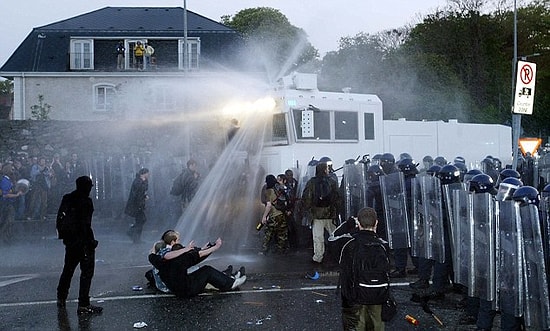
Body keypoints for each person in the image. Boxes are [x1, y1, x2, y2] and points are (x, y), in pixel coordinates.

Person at [148, 232, 246, 298]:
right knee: (207, 270)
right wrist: (216, 247)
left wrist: (202, 249)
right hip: (186, 290)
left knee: (201, 271)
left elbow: (152, 255)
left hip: (176, 288)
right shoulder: (178, 259)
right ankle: (230, 284)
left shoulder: (158, 259)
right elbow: (198, 256)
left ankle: (228, 278)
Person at [56, 176, 102, 315]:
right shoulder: (86, 202)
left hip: (70, 241)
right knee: (86, 273)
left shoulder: (67, 198)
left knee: (68, 269)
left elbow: (60, 218)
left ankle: (61, 296)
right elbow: (85, 224)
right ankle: (83, 304)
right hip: (83, 242)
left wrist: (64, 237)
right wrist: (90, 242)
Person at [339, 207, 391, 331]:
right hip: (377, 295)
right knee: (377, 323)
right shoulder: (383, 245)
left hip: (355, 295)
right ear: (376, 223)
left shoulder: (349, 244)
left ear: (358, 223)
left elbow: (332, 238)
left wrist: (347, 224)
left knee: (358, 325)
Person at [303, 162, 341, 263]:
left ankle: (318, 257)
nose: (329, 170)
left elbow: (307, 197)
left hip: (316, 214)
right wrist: (336, 210)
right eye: (327, 168)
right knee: (335, 235)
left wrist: (308, 210)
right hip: (330, 214)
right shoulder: (332, 181)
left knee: (318, 237)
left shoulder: (312, 182)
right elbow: (337, 197)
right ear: (325, 170)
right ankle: (337, 256)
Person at [259, 174, 289, 255]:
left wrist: (264, 217)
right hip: (281, 214)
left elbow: (268, 205)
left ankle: (264, 250)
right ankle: (281, 250)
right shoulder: (279, 188)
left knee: (268, 233)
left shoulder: (269, 191)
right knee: (282, 233)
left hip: (273, 215)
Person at [0, 164, 24, 243]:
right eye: (12, 169)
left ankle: (7, 237)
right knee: (9, 221)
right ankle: (5, 237)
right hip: (6, 204)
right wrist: (16, 195)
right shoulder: (5, 181)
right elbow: (5, 194)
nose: (13, 171)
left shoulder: (9, 180)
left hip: (9, 204)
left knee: (8, 221)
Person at [125, 168, 149, 243]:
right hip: (136, 205)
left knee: (140, 220)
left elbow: (141, 193)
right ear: (143, 173)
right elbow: (137, 194)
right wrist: (142, 201)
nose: (148, 175)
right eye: (147, 173)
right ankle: (132, 233)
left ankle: (135, 237)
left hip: (138, 204)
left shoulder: (141, 181)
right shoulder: (138, 182)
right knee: (141, 220)